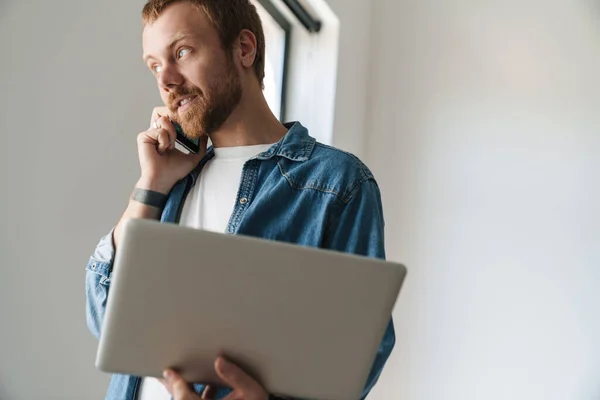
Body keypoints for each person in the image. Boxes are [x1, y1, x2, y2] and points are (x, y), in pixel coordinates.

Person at [85, 0, 395, 399]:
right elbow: (105, 319)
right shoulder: (172, 177)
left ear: (244, 49)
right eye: (155, 65)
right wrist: (151, 185)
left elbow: (360, 352)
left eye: (181, 52)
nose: (167, 80)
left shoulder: (336, 184)